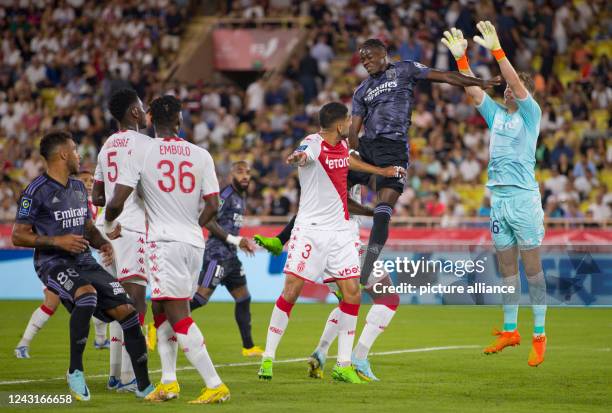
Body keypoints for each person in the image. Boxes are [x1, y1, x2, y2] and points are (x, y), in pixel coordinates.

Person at [104, 95, 230, 404]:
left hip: (163, 242)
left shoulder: (142, 153)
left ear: (149, 120)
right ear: (180, 120)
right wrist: (192, 225)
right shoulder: (201, 155)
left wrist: (108, 227)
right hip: (192, 242)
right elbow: (213, 205)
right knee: (160, 309)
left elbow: (116, 202)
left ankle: (214, 384)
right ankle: (169, 382)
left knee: (177, 314)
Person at [349, 38, 501, 289]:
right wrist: (354, 151)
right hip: (367, 147)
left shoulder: (405, 69)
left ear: (383, 54)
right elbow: (354, 128)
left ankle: (366, 271)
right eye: (362, 58)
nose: (365, 62)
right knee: (328, 181)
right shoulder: (361, 90)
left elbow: (446, 77)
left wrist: (480, 83)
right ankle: (313, 242)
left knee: (383, 210)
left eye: (369, 57)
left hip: (393, 149)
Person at [11, 131, 153, 400]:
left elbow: (88, 228)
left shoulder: (77, 188)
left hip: (84, 260)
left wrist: (103, 244)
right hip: (52, 262)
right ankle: (75, 371)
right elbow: (18, 235)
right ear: (63, 154)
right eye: (75, 150)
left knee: (128, 310)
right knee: (86, 295)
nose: (79, 155)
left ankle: (144, 386)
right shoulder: (35, 191)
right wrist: (57, 241)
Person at [441, 22, 546, 366]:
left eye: (515, 90)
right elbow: (473, 92)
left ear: (526, 93)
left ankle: (540, 335)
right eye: (506, 90)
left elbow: (514, 80)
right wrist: (462, 61)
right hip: (498, 200)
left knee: (532, 269)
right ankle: (510, 330)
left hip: (523, 199)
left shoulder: (531, 115)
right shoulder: (497, 115)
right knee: (507, 269)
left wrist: (498, 51)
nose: (509, 92)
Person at [257, 102, 364, 384]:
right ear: (339, 125)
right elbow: (305, 155)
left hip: (340, 231)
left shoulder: (343, 148)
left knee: (353, 293)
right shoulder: (313, 143)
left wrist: (384, 172)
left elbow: (352, 165)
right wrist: (298, 157)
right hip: (311, 231)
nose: (351, 125)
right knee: (291, 290)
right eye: (348, 121)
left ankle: (343, 364)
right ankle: (268, 357)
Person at [14, 169, 109, 359]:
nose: (89, 183)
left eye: (91, 180)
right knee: (52, 303)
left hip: (80, 260)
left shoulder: (93, 206)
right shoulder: (57, 198)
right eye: (84, 180)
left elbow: (92, 230)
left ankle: (100, 340)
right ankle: (23, 344)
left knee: (95, 296)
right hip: (54, 261)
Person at [92, 88, 151, 391]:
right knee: (135, 301)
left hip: (107, 229)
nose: (145, 112)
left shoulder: (106, 146)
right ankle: (130, 377)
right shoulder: (146, 144)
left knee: (117, 302)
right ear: (134, 113)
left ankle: (116, 375)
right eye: (141, 107)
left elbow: (97, 195)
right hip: (131, 228)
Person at [189, 161, 262, 357]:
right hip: (217, 254)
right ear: (232, 175)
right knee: (201, 298)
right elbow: (206, 220)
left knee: (244, 298)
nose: (245, 176)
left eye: (248, 172)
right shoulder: (225, 195)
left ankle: (248, 347)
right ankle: (158, 323)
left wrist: (237, 243)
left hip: (231, 256)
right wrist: (235, 240)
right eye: (240, 172)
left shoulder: (240, 197)